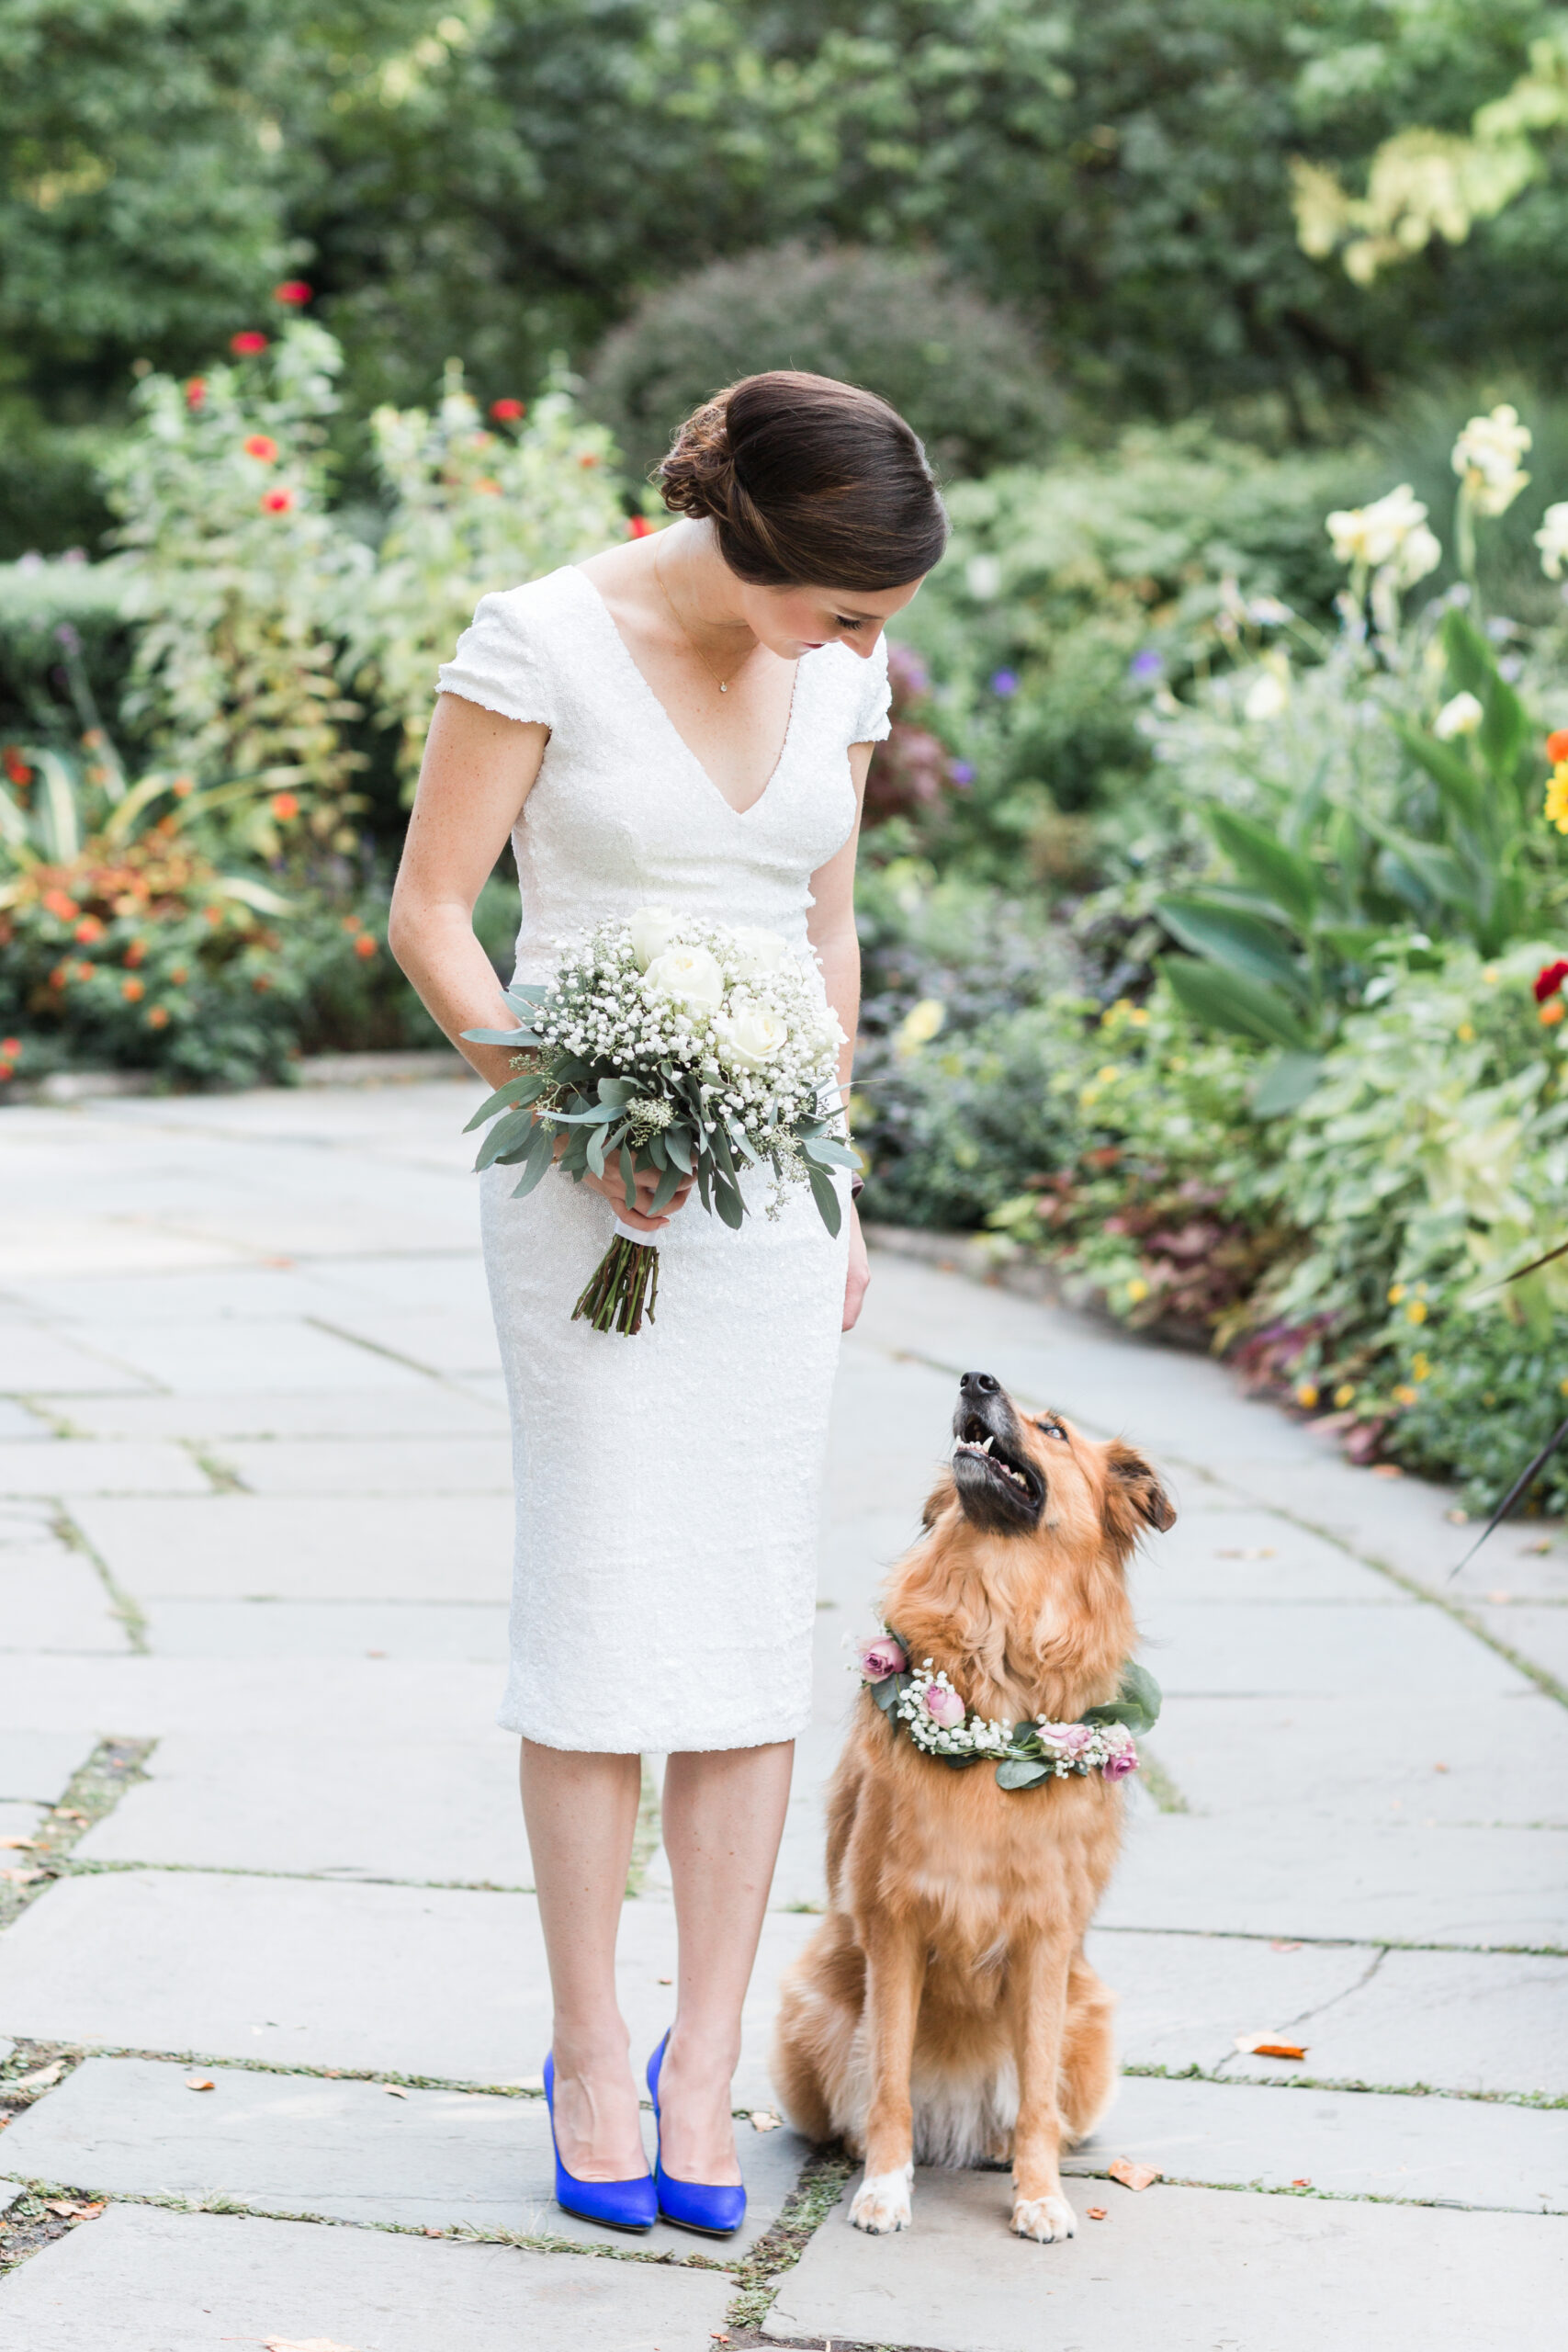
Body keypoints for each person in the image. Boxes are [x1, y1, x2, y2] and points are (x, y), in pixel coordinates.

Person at [389, 370, 946, 2234]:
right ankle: (581, 2035)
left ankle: (698, 2060)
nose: (863, 647)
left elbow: (826, 936)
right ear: (757, 541)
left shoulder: (840, 680)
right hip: (577, 1184)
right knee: (598, 1600)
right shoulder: (538, 640)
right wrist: (558, 1102)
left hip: (771, 1202)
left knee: (729, 1610)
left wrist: (837, 1171)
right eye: (843, 607)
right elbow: (431, 914)